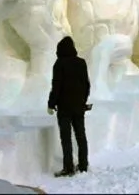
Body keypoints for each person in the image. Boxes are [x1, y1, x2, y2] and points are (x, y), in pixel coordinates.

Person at [47, 36, 91, 177]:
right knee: (81, 135)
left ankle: (68, 167)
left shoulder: (59, 64)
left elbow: (56, 86)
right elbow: (86, 85)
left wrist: (51, 104)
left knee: (66, 138)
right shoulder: (81, 63)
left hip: (64, 108)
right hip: (79, 106)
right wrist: (82, 100)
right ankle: (83, 165)